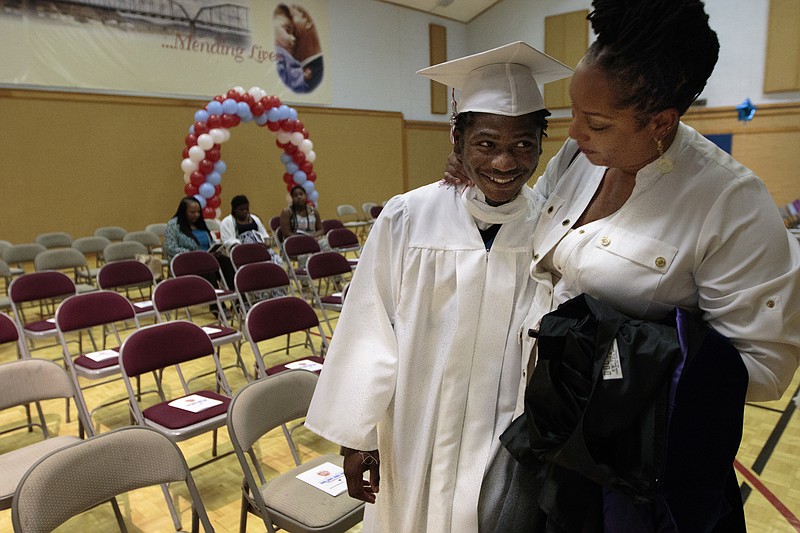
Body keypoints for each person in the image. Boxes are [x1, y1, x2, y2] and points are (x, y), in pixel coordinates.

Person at [445, 0, 800, 528]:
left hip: (629, 461)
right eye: (573, 113)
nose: (572, 135)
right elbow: (531, 237)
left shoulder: (729, 203)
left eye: (596, 123)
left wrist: (626, 354)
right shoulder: (579, 160)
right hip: (543, 419)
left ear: (660, 122)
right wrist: (484, 183)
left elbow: (767, 369)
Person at [304, 42, 572, 532]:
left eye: (523, 145)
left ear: (541, 143)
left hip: (503, 434)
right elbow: (369, 325)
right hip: (414, 428)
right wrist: (358, 435)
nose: (505, 163)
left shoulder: (552, 227)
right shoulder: (409, 216)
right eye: (486, 144)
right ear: (458, 139)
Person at [164, 195, 236, 292]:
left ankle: (237, 299)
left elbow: (211, 242)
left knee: (227, 263)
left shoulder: (200, 223)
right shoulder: (173, 225)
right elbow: (170, 247)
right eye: (192, 212)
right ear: (183, 212)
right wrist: (196, 254)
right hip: (187, 262)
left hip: (208, 258)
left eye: (198, 212)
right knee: (208, 268)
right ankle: (216, 305)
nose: (196, 215)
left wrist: (216, 248)